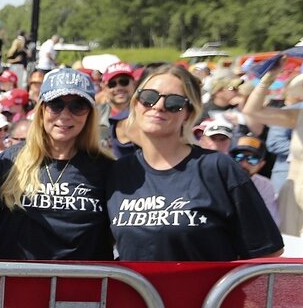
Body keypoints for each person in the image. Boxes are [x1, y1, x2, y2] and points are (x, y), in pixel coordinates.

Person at [107, 65, 283, 260]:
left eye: (174, 102)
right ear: (136, 104)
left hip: (208, 290)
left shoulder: (218, 168)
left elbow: (267, 251)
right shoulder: (117, 172)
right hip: (135, 290)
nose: (158, 106)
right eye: (148, 97)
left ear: (188, 114)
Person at [0, 68, 114, 260]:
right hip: (17, 284)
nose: (65, 115)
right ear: (42, 110)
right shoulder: (10, 160)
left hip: (82, 286)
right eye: (56, 104)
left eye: (78, 106)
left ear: (89, 114)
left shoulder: (107, 168)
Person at [244, 65, 303, 237]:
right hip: (294, 197)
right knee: (291, 255)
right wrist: (269, 78)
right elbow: (252, 111)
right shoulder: (300, 115)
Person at [229, 135, 279, 227]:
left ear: (261, 164)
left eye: (252, 159)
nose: (243, 163)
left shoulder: (265, 186)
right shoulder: (217, 179)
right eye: (239, 157)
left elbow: (270, 222)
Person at [98, 62, 137, 158]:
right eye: (112, 84)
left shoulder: (145, 114)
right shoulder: (94, 115)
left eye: (124, 82)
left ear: (134, 84)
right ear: (104, 88)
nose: (119, 88)